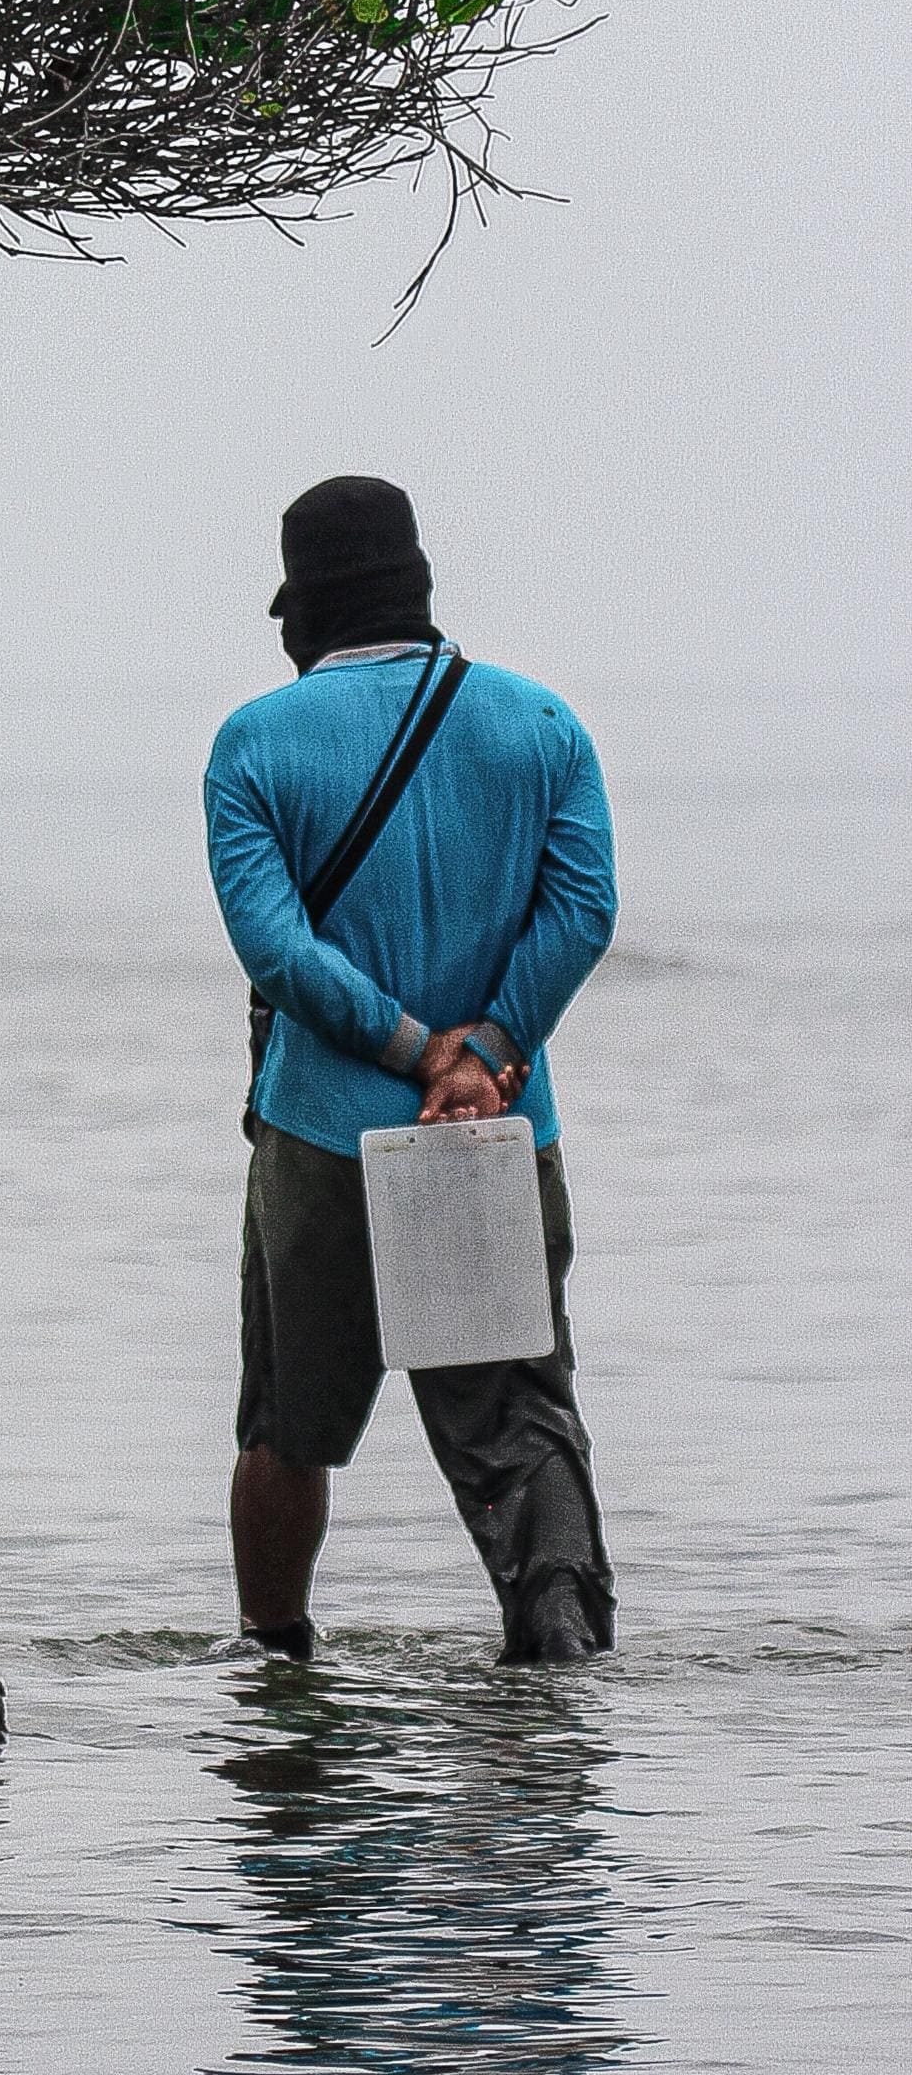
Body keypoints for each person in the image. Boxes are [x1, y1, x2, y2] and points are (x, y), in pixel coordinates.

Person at [203, 474, 619, 1664]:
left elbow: (274, 947)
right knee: (521, 1421)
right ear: (415, 586)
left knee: (288, 1419)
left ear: (302, 609)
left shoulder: (252, 743)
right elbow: (583, 907)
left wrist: (402, 1046)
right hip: (491, 1134)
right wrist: (483, 1053)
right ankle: (557, 1663)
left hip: (323, 1131)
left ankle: (275, 1666)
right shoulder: (539, 723)